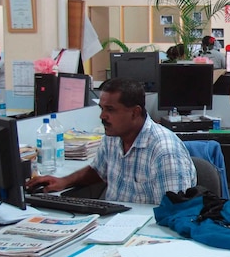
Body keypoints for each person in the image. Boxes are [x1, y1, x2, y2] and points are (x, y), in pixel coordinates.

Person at [26, 78, 196, 203]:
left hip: (148, 234)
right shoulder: (113, 137)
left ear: (135, 112)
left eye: (110, 110)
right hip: (112, 225)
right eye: (101, 108)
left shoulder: (164, 150)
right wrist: (64, 181)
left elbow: (176, 211)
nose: (102, 116)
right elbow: (98, 170)